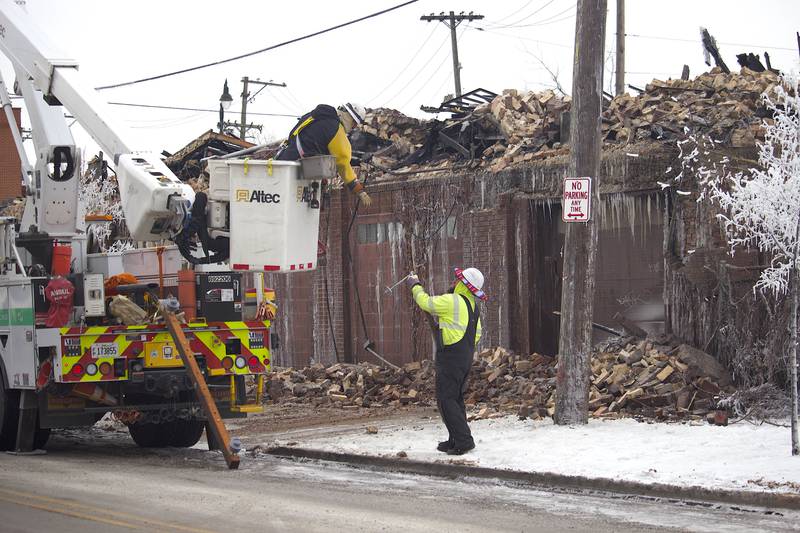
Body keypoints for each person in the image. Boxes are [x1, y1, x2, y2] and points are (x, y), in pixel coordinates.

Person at [407, 267, 485, 455]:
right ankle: (455, 438)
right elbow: (478, 334)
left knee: (446, 399)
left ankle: (464, 441)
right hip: (464, 357)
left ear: (463, 284)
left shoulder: (452, 301)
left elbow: (426, 302)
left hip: (450, 357)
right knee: (455, 399)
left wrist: (415, 285)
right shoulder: (473, 306)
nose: (453, 282)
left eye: (457, 280)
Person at [276, 102, 372, 205]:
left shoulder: (314, 116)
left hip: (283, 163)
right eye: (354, 123)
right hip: (297, 174)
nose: (354, 127)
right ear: (348, 117)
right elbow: (343, 163)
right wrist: (358, 189)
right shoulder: (336, 129)